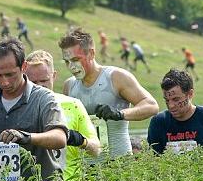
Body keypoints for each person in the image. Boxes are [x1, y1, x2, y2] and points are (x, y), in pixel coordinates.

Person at [0, 38, 67, 181]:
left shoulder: (44, 97)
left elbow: (60, 138)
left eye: (10, 74)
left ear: (23, 67)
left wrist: (27, 137)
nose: (4, 82)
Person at [59, 28, 159, 161]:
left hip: (118, 164)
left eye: (76, 59)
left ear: (91, 53)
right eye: (67, 61)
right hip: (84, 170)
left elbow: (152, 106)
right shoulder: (69, 86)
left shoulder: (116, 77)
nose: (71, 66)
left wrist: (120, 114)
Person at [24, 50, 101, 181]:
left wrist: (79, 140)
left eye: (44, 80)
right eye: (33, 82)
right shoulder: (17, 108)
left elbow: (96, 150)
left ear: (54, 76)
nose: (40, 86)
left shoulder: (73, 105)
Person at [147, 69, 203, 154]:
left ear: (190, 94)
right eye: (167, 100)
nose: (171, 105)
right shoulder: (158, 122)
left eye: (176, 99)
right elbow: (154, 160)